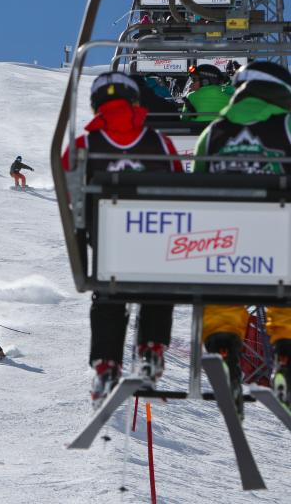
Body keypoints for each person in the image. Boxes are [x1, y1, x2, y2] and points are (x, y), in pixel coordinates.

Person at [61, 72, 183, 408]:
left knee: (108, 295)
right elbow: (179, 182)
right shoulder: (157, 141)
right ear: (135, 102)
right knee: (159, 286)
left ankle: (105, 365)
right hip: (155, 238)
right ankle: (152, 349)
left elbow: (68, 185)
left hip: (110, 244)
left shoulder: (86, 145)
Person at [194, 61, 291, 415]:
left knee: (222, 286)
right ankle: (285, 354)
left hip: (228, 242)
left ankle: (223, 345)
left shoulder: (214, 133)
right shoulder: (287, 124)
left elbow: (197, 185)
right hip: (281, 239)